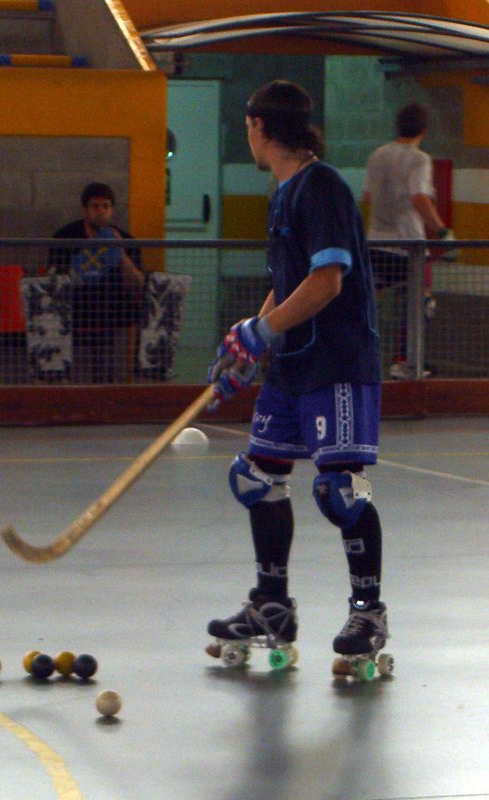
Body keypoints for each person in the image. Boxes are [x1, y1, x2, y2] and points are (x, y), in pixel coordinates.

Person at [206, 79, 388, 668]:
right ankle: (271, 605)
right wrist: (249, 342)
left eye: (248, 128)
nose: (248, 137)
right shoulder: (283, 192)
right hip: (291, 363)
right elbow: (287, 285)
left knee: (340, 491)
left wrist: (265, 331)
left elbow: (327, 281)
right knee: (257, 477)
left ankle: (368, 611)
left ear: (261, 127)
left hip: (335, 360)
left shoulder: (321, 187)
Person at [363, 102, 456, 380]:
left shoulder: (377, 155)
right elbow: (419, 198)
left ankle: (359, 357)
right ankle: (405, 361)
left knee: (369, 303)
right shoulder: (419, 159)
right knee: (420, 303)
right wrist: (442, 232)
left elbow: (368, 196)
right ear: (423, 129)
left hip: (376, 244)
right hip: (409, 246)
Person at [48, 182, 145, 383]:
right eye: (95, 206)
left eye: (106, 206)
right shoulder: (65, 237)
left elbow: (139, 283)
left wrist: (120, 253)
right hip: (77, 304)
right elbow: (54, 279)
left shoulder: (126, 240)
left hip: (112, 306)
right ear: (85, 209)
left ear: (112, 209)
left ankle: (121, 378)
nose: (100, 212)